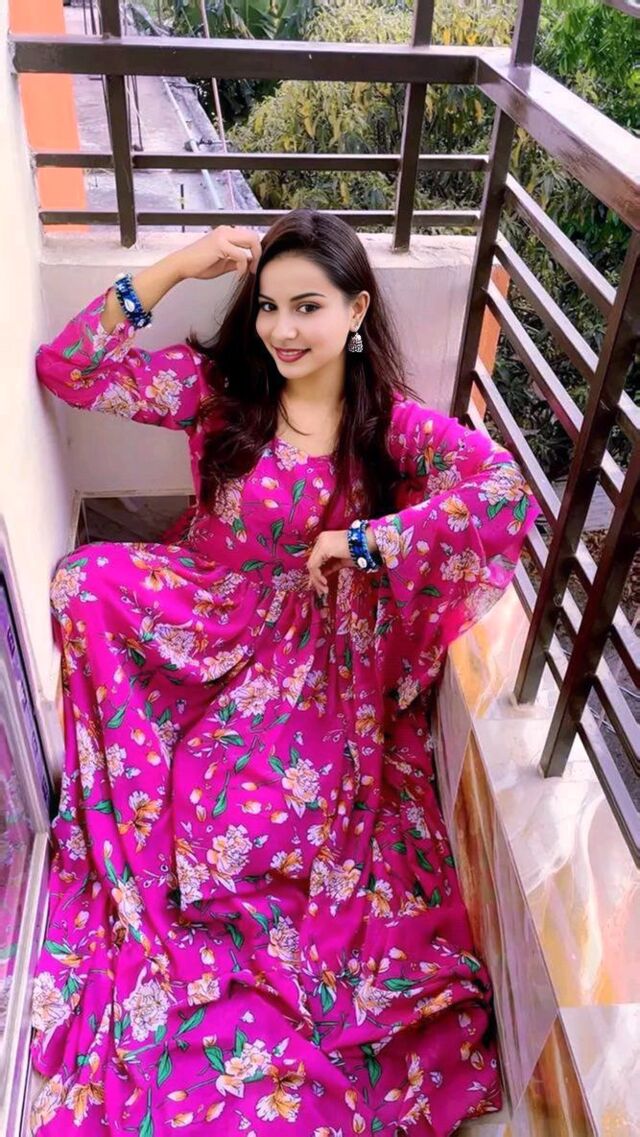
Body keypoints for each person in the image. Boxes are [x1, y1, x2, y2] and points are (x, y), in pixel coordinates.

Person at [30, 210, 539, 1137]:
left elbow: (506, 492)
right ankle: (130, 775)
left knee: (257, 840)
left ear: (356, 310)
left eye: (308, 306)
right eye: (269, 306)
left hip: (304, 661)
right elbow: (68, 367)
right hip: (202, 605)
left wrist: (367, 541)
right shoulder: (222, 394)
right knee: (82, 582)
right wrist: (180, 266)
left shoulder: (387, 426)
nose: (283, 328)